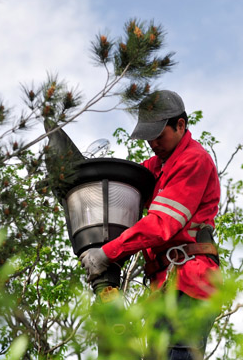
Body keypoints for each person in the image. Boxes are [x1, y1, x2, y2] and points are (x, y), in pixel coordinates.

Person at [80, 90, 221, 359]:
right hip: (166, 286)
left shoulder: (193, 160)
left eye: (159, 135)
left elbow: (161, 224)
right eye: (148, 137)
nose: (153, 143)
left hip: (190, 280)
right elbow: (121, 188)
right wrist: (81, 184)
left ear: (180, 125)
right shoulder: (157, 166)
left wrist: (108, 252)